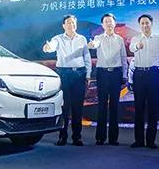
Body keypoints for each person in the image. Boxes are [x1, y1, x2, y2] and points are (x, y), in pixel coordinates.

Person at [43, 14, 91, 146]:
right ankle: (62, 136)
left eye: (73, 23)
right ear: (63, 25)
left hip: (79, 74)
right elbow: (51, 46)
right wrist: (47, 47)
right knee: (64, 107)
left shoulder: (82, 39)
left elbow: (87, 58)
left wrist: (88, 75)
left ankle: (77, 137)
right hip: (64, 75)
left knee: (77, 108)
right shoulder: (58, 38)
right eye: (69, 23)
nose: (71, 25)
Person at [128, 14, 159, 149]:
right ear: (140, 25)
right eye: (142, 23)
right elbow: (131, 48)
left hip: (153, 74)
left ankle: (151, 141)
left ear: (151, 24)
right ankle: (138, 140)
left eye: (147, 23)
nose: (145, 25)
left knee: (153, 108)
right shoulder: (135, 39)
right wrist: (137, 46)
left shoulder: (158, 40)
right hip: (139, 74)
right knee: (139, 108)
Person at [88, 13, 128, 146]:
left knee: (115, 106)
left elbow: (123, 58)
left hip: (116, 73)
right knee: (102, 105)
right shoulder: (98, 38)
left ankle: (113, 138)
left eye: (110, 21)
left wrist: (124, 75)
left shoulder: (119, 39)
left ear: (114, 23)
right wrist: (92, 44)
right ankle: (100, 137)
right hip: (102, 74)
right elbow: (94, 44)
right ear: (102, 25)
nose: (109, 23)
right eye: (106, 21)